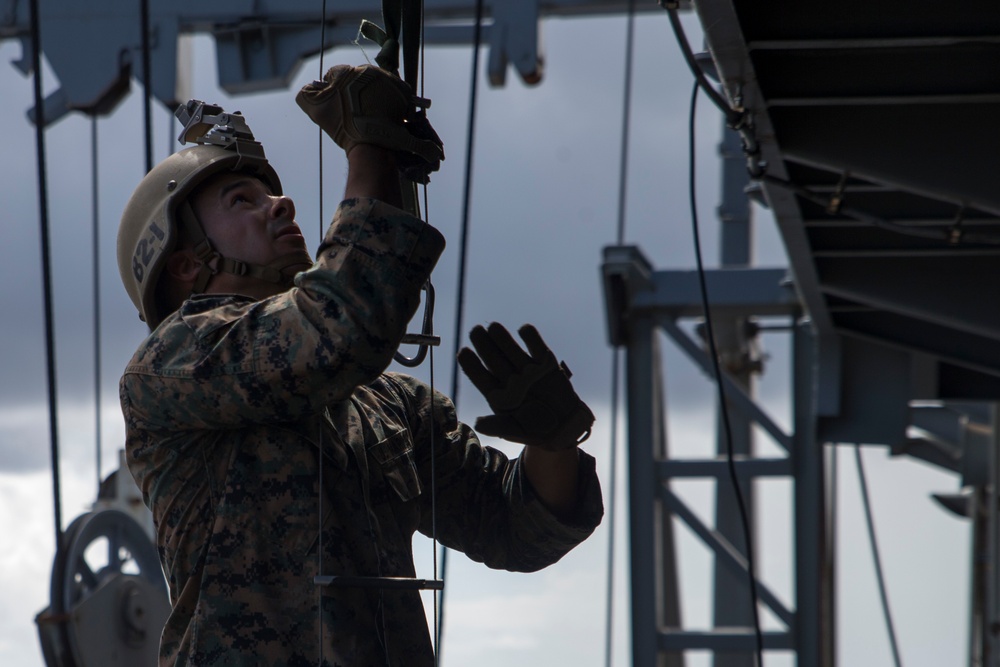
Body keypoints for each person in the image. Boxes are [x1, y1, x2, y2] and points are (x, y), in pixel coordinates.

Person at [116, 63, 602, 666]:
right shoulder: (173, 365)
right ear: (187, 264)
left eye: (270, 192)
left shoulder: (385, 406)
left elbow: (511, 525)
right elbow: (339, 326)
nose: (281, 204)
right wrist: (370, 147)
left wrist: (552, 445)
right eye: (243, 201)